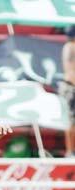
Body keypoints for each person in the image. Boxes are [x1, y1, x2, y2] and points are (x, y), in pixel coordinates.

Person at [58, 25, 75, 157]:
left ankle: (70, 151)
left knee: (70, 121)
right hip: (71, 87)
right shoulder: (71, 47)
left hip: (68, 86)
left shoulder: (68, 47)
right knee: (70, 122)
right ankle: (70, 152)